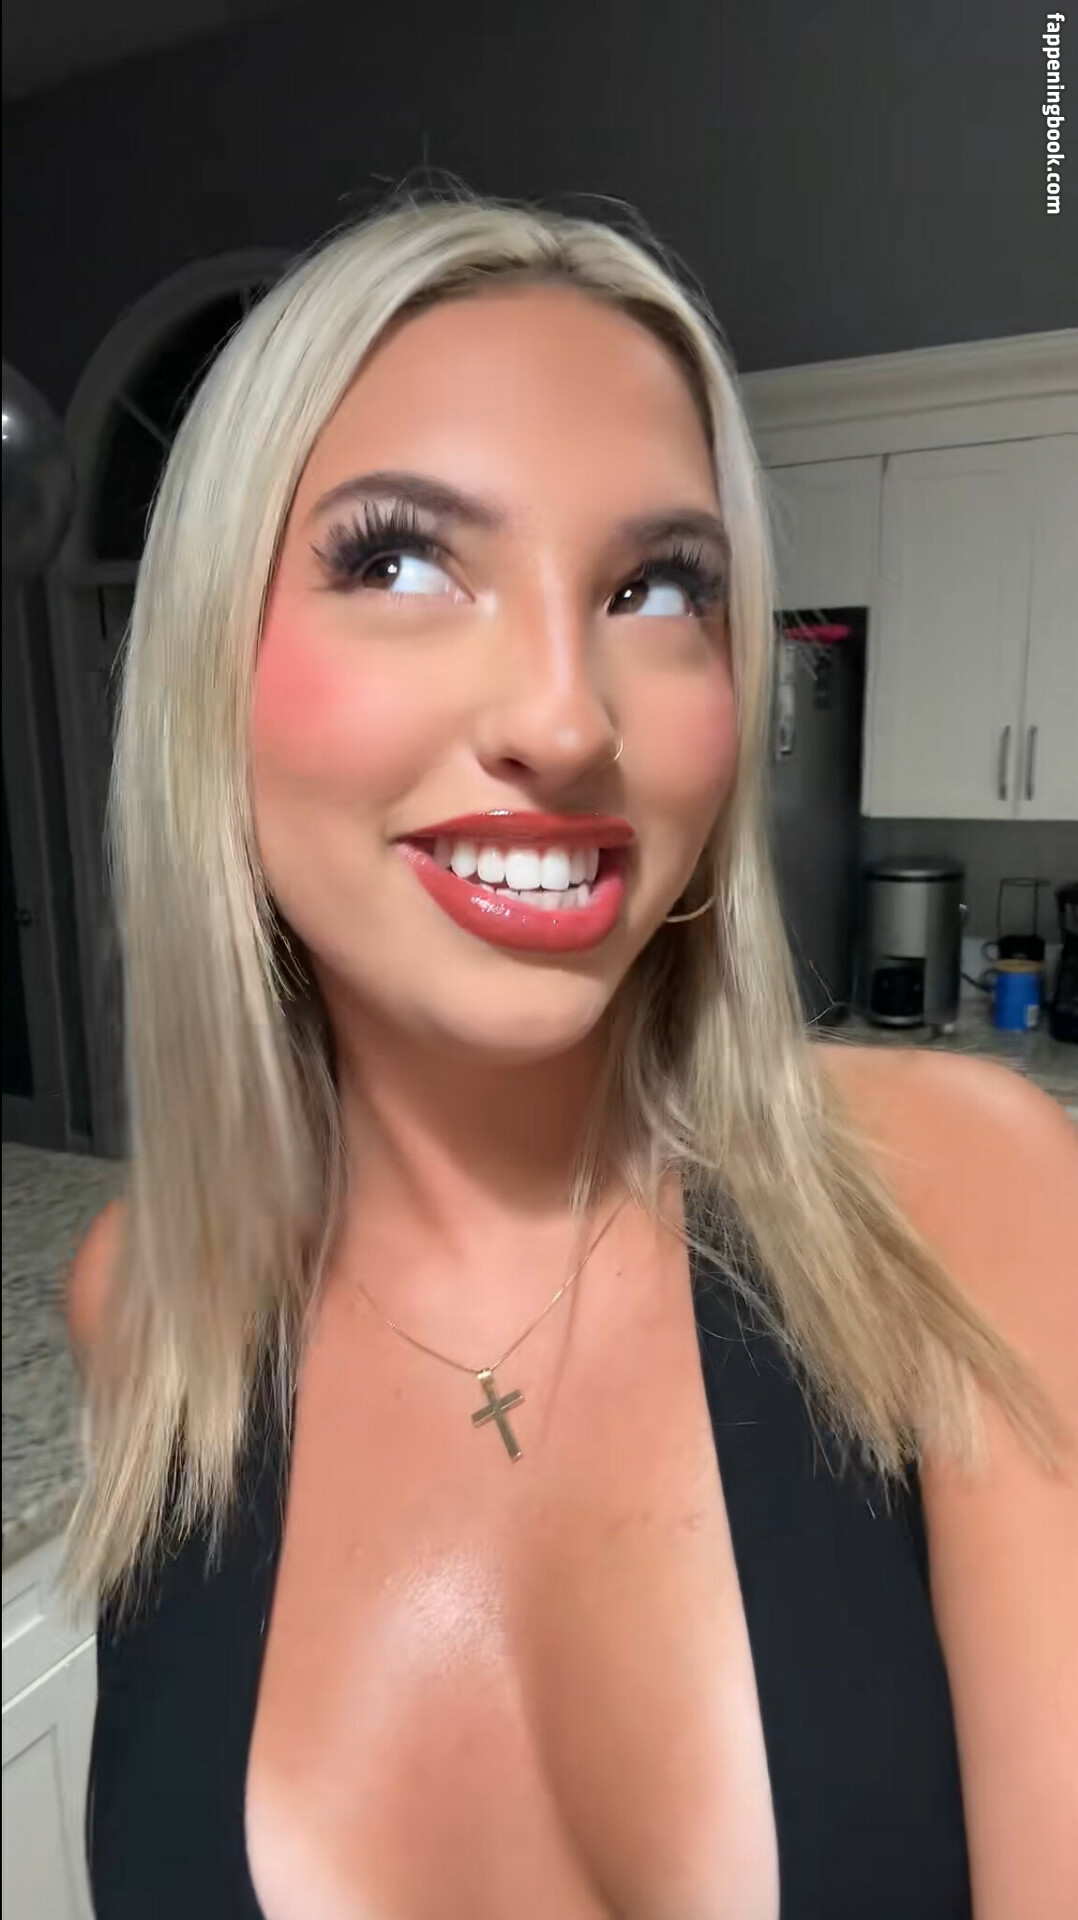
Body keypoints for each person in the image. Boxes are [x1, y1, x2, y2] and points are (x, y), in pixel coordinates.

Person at [64, 192, 1076, 1920]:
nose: (564, 716)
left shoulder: (954, 1204)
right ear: (204, 673)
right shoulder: (150, 1302)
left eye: (654, 587)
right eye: (399, 562)